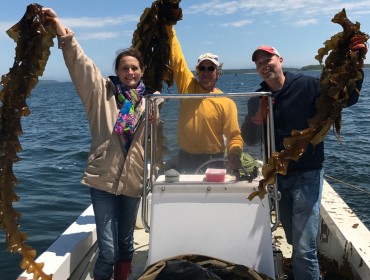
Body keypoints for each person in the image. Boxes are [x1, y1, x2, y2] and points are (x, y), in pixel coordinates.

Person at [42, 8, 162, 280]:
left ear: (141, 71)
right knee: (108, 249)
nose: (129, 72)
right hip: (102, 181)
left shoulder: (151, 104)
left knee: (126, 243)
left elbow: (157, 144)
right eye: (124, 68)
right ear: (117, 72)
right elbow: (80, 65)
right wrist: (62, 31)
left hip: (133, 182)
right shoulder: (101, 95)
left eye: (134, 68)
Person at [241, 44, 367, 279]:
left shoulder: (308, 85)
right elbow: (248, 138)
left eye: (268, 59)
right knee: (291, 237)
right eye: (259, 63)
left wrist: (356, 62)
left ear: (280, 59)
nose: (264, 65)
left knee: (303, 248)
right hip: (279, 176)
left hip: (307, 173)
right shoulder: (258, 98)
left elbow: (345, 99)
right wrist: (254, 121)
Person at [165, 25, 243, 173]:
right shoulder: (187, 87)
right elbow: (177, 59)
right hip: (185, 158)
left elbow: (234, 136)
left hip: (215, 160)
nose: (206, 72)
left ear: (217, 72)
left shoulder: (227, 102)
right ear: (197, 71)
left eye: (211, 68)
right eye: (202, 68)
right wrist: (170, 28)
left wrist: (234, 155)